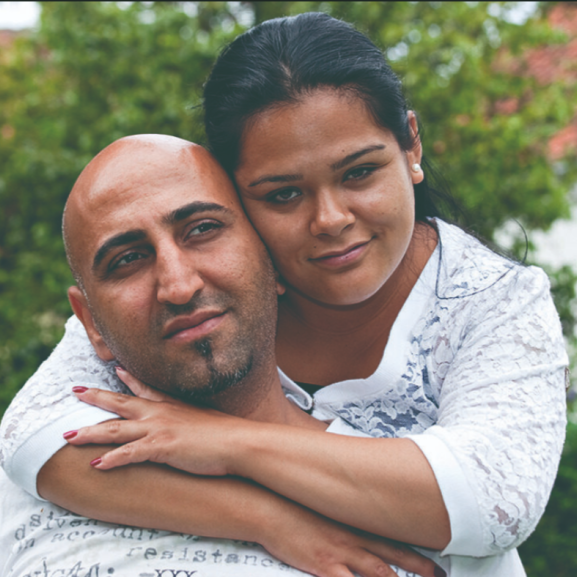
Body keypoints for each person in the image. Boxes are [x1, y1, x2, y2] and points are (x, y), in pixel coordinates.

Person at [0, 11, 567, 577]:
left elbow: (494, 500)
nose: (330, 219)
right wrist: (269, 521)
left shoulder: (496, 301)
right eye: (283, 194)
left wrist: (222, 441)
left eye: (359, 173)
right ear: (234, 196)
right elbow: (35, 436)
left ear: (410, 145)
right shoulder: (202, 284)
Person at [0, 134, 438, 577]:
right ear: (91, 324)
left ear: (274, 259)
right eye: (127, 259)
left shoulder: (415, 500)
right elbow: (24, 437)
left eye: (203, 229)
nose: (179, 286)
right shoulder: (44, 473)